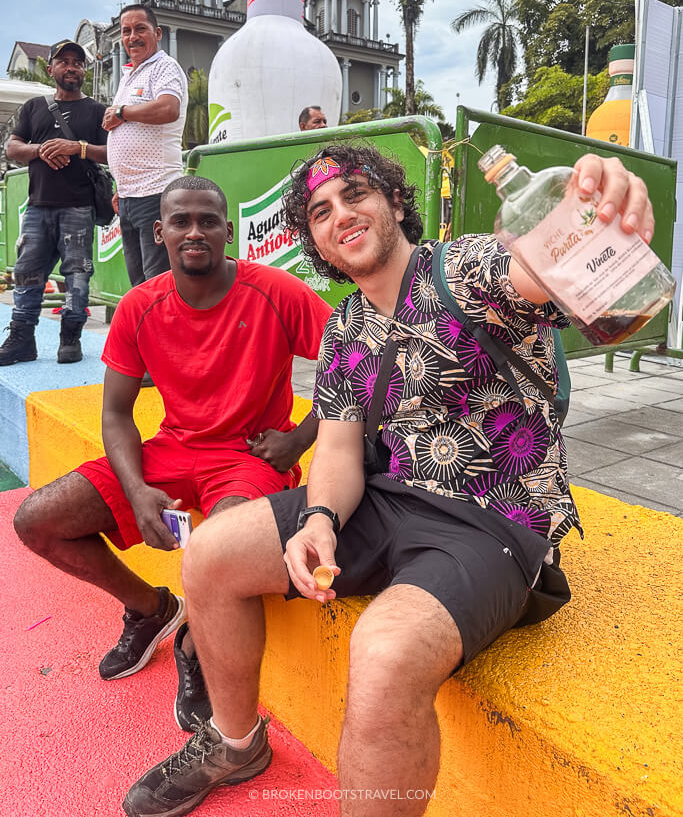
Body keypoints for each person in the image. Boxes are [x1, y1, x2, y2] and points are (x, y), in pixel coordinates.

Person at [123, 142, 656, 817]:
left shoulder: (463, 268)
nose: (340, 214)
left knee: (381, 652)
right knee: (209, 553)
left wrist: (596, 205)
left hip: (493, 520)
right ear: (313, 238)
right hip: (386, 500)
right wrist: (318, 520)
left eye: (355, 193)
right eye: (319, 210)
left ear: (394, 201)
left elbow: (533, 267)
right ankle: (234, 741)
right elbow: (341, 452)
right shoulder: (344, 326)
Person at [13, 174, 331, 733]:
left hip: (251, 457)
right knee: (37, 520)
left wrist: (299, 437)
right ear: (158, 231)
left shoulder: (275, 291)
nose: (195, 232)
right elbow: (115, 413)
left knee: (221, 550)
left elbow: (354, 365)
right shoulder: (140, 306)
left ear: (228, 231)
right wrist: (135, 491)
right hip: (173, 449)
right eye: (180, 221)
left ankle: (195, 647)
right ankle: (152, 610)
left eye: (209, 220)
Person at [0, 40, 108, 366]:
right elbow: (12, 148)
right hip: (37, 206)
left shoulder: (97, 111)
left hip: (78, 206)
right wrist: (43, 149)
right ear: (52, 70)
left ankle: (70, 338)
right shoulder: (35, 107)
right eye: (64, 62)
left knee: (77, 274)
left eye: (77, 62)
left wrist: (77, 147)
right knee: (26, 273)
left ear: (84, 71)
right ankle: (21, 339)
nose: (71, 67)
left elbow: (114, 152)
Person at [102, 4, 188, 287]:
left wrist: (122, 112)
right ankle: (144, 333)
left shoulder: (164, 66)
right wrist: (120, 185)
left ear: (158, 33)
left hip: (156, 194)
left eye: (141, 28)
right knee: (140, 286)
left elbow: (168, 108)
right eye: (126, 31)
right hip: (129, 197)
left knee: (158, 284)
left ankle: (163, 333)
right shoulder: (129, 75)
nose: (132, 37)